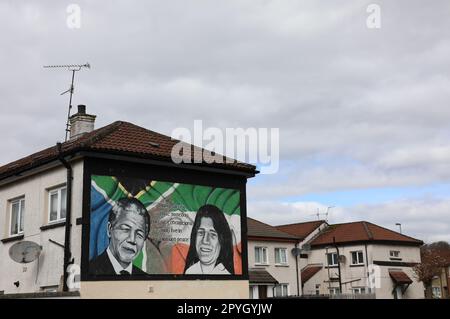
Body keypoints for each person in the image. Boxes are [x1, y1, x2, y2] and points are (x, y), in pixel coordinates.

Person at [89, 197, 150, 276]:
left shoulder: (144, 277)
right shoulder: (91, 271)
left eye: (139, 234)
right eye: (125, 229)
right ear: (109, 229)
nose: (132, 239)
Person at [184, 205, 234, 275]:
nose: (205, 240)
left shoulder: (227, 276)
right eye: (201, 232)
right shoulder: (189, 272)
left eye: (212, 234)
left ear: (222, 240)